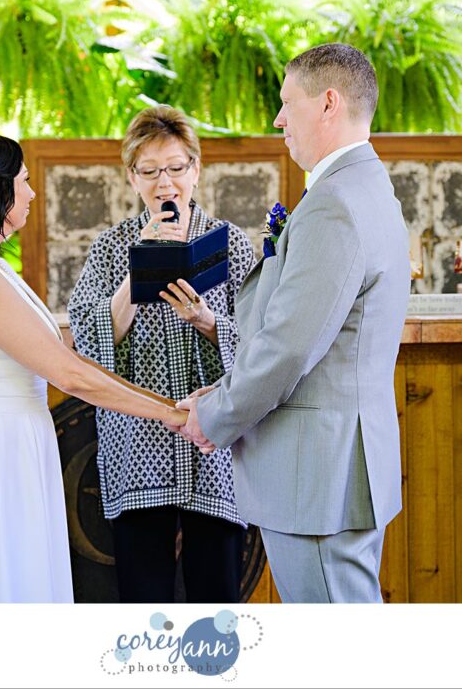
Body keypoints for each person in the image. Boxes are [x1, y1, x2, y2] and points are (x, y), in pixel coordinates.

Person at [0, 129, 187, 603]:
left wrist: (168, 403)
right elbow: (69, 375)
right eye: (22, 181)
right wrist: (174, 413)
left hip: (9, 439)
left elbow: (67, 357)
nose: (31, 191)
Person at [174, 43, 410, 603]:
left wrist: (214, 415)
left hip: (317, 475)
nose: (278, 119)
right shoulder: (368, 187)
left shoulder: (334, 203)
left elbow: (288, 347)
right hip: (335, 461)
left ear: (328, 103)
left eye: (287, 103)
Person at [67, 105, 256, 603]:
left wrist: (207, 322)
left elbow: (266, 342)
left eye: (175, 168)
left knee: (216, 594)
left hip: (214, 444)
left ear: (196, 168)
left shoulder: (231, 245)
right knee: (142, 594)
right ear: (132, 177)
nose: (164, 184)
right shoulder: (110, 248)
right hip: (137, 445)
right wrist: (138, 271)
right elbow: (86, 339)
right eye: (149, 172)